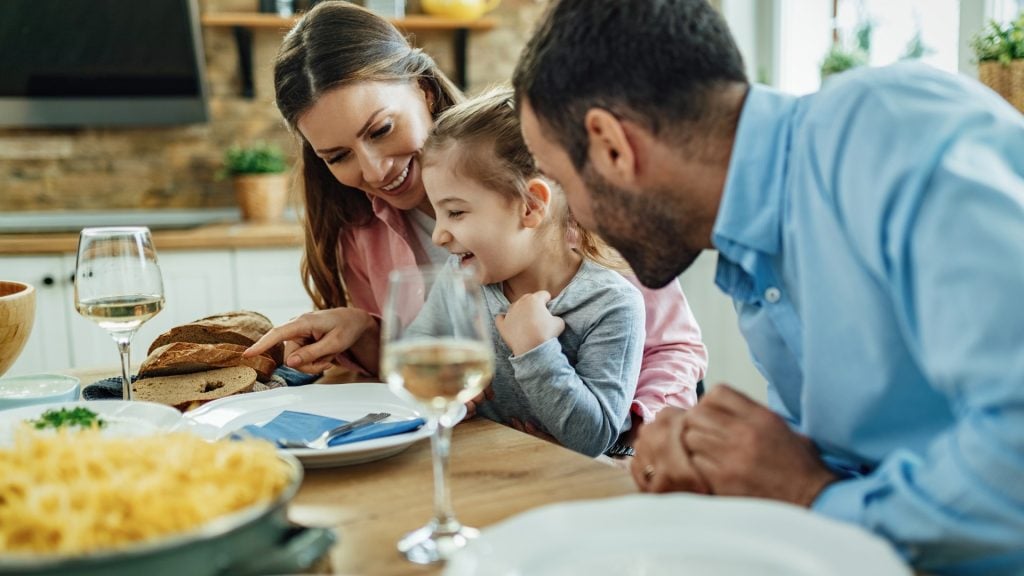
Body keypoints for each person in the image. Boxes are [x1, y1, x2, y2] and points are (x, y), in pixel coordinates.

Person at [511, 0, 1024, 573]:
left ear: (611, 146)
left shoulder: (892, 139)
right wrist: (725, 461)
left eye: (560, 183)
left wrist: (810, 496)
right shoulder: (747, 237)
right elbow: (845, 460)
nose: (572, 215)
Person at [245, 0, 708, 449]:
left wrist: (631, 449)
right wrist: (367, 333)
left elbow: (672, 349)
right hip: (492, 457)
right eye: (339, 156)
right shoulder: (357, 234)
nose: (372, 170)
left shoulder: (573, 187)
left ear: (423, 90)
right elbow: (421, 370)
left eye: (381, 129)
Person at [406, 87, 644, 456]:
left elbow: (592, 438)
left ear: (530, 206)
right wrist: (440, 383)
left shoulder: (610, 304)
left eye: (455, 212)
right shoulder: (461, 278)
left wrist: (536, 349)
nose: (438, 234)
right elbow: (415, 350)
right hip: (490, 470)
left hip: (571, 490)